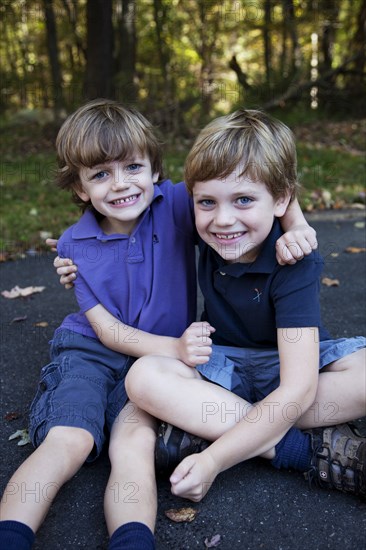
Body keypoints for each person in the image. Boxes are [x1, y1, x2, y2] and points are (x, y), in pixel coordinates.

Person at [0, 101, 317, 550]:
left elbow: (252, 179)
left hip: (155, 363)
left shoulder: (177, 207)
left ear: (154, 171)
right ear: (79, 187)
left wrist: (297, 222)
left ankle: (132, 542)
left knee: (133, 448)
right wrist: (176, 349)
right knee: (67, 440)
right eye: (100, 174)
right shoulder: (75, 245)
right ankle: (12, 534)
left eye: (133, 166)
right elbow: (109, 333)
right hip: (93, 350)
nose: (122, 183)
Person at [124, 109, 366, 502]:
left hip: (291, 368)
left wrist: (213, 461)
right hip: (223, 367)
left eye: (243, 200)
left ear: (281, 200)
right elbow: (128, 201)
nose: (223, 219)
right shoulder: (212, 225)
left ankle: (207, 424)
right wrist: (75, 257)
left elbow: (300, 388)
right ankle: (300, 449)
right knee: (143, 377)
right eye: (206, 202)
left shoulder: (295, 259)